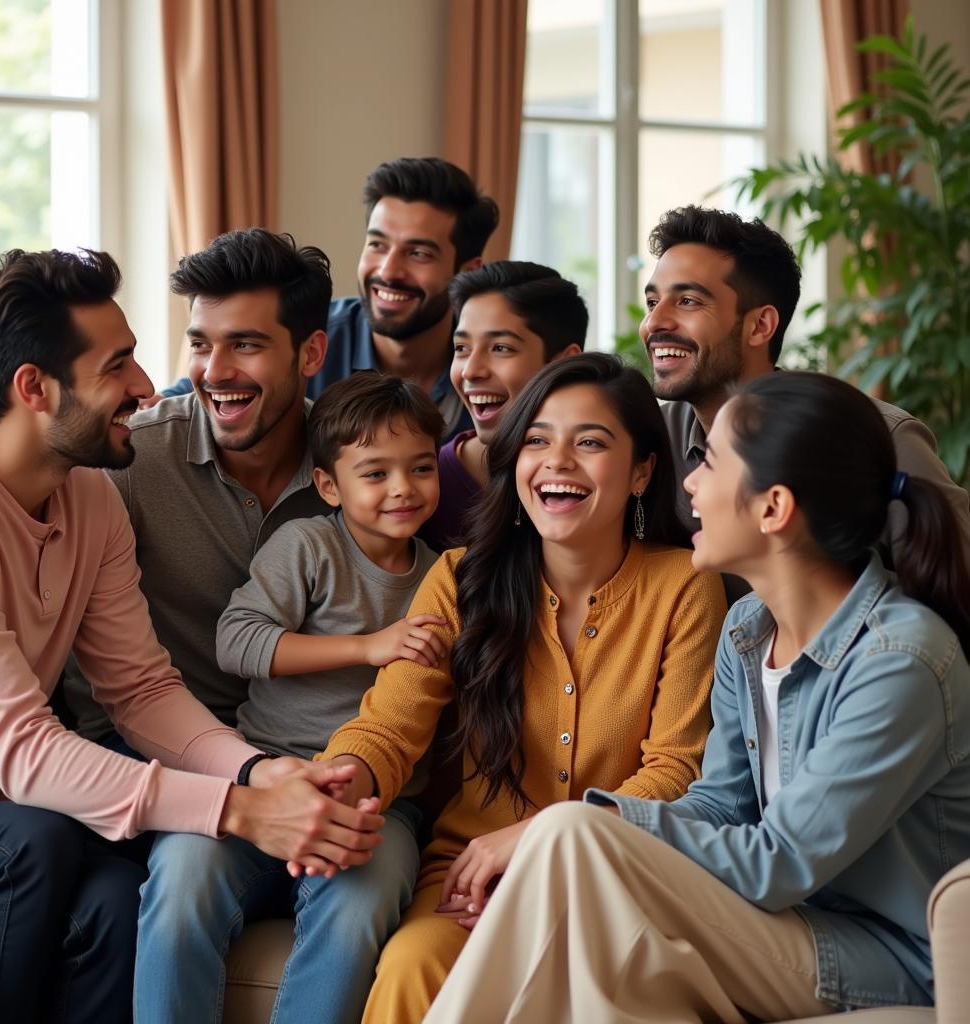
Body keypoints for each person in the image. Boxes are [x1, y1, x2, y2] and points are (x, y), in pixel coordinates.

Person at [422, 371, 970, 1024]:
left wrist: (589, 829)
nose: (688, 485)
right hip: (784, 924)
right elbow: (720, 802)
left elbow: (781, 862)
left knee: (571, 835)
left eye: (709, 462)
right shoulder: (749, 630)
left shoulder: (899, 662)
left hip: (892, 960)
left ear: (773, 509)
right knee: (603, 949)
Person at [0, 248, 382, 1024]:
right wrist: (240, 812)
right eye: (119, 365)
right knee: (35, 844)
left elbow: (142, 689)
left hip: (13, 798)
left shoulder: (90, 497)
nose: (149, 387)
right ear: (33, 389)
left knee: (118, 898)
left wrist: (258, 773)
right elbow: (24, 749)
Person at [318, 352, 727, 1023]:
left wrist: (538, 839)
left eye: (589, 442)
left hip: (612, 876)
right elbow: (391, 725)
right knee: (413, 965)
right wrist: (343, 776)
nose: (557, 461)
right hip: (471, 875)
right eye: (536, 440)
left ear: (643, 471)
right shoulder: (459, 578)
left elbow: (676, 772)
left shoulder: (686, 585)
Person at [135, 372, 445, 1024]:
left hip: (374, 802)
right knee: (183, 874)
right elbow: (237, 641)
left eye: (420, 468)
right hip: (264, 773)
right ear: (329, 486)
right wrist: (367, 646)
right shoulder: (308, 545)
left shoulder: (441, 576)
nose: (403, 489)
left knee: (365, 899)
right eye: (376, 473)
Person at [64, 228, 333, 742]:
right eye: (200, 345)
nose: (214, 371)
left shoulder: (358, 467)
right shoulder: (131, 458)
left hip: (303, 746)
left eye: (246, 344)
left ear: (311, 354)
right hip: (148, 748)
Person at [641, 205, 970, 597]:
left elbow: (957, 592)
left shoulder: (878, 438)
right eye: (651, 303)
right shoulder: (648, 439)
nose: (654, 323)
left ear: (760, 326)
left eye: (688, 301)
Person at [161, 158, 499, 442]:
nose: (388, 270)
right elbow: (188, 399)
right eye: (377, 245)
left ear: (467, 272)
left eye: (419, 253)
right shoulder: (303, 336)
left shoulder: (493, 365)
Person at [420, 261, 584, 551]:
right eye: (461, 348)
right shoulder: (429, 485)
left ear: (564, 362)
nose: (471, 370)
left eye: (500, 348)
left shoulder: (595, 478)